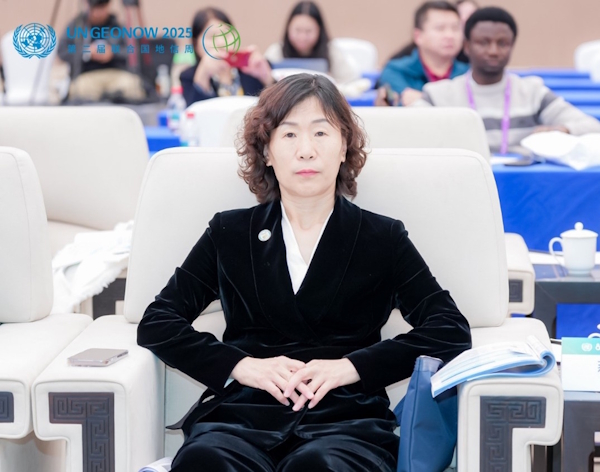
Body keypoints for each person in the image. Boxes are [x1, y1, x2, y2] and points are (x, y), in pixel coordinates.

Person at [137, 73, 472, 471]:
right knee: (204, 460)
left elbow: (449, 328)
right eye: (290, 134)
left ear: (344, 146)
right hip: (242, 420)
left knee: (319, 466)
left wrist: (353, 366)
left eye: (321, 133)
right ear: (267, 151)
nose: (306, 151)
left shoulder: (382, 237)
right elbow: (158, 321)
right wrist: (241, 365)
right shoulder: (229, 232)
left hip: (347, 424)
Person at [411, 7, 600, 154]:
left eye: (502, 43)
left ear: (512, 46)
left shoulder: (532, 92)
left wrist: (563, 129)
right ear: (467, 46)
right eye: (483, 42)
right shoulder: (438, 95)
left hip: (521, 184)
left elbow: (592, 126)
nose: (493, 51)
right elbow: (409, 131)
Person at [375, 1, 468, 106]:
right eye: (440, 28)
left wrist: (424, 98)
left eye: (455, 28)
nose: (450, 35)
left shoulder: (468, 73)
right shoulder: (396, 71)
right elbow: (402, 107)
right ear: (418, 36)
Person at [180, 7, 274, 106]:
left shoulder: (253, 68)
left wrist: (267, 79)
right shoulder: (188, 76)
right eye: (212, 37)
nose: (221, 42)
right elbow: (193, 113)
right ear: (196, 45)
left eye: (226, 34)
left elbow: (278, 109)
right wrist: (202, 77)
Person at [57, 0, 145, 102]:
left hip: (116, 73)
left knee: (133, 86)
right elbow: (62, 51)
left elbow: (133, 51)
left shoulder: (118, 26)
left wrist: (112, 53)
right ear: (87, 4)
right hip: (87, 75)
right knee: (81, 90)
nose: (97, 13)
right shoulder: (76, 26)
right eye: (94, 8)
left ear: (108, 5)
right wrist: (87, 52)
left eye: (102, 7)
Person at [264, 1, 360, 84]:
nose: (302, 37)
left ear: (319, 30)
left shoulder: (331, 52)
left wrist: (332, 84)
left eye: (308, 31)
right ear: (288, 28)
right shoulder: (276, 52)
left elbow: (352, 81)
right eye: (297, 30)